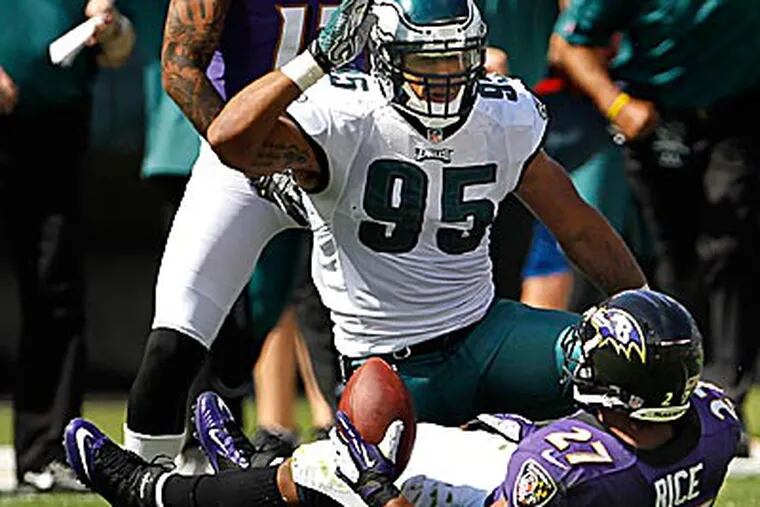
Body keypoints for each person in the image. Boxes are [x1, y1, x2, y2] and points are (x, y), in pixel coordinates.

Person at [198, 0, 645, 424]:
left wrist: (645, 308)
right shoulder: (344, 112)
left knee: (637, 359)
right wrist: (314, 62)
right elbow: (228, 139)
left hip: (483, 334)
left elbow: (578, 227)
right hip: (391, 367)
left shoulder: (499, 113)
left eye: (456, 59)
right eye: (426, 61)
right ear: (385, 58)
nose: (444, 77)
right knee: (399, 471)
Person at [64, 289, 742, 507]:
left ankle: (159, 493)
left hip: (514, 489)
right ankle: (245, 474)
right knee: (349, 452)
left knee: (335, 467)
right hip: (535, 465)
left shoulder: (565, 473)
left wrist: (378, 490)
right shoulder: (710, 424)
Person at [124, 0, 343, 463]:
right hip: (244, 159)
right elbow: (180, 67)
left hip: (353, 156)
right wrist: (242, 149)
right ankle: (140, 478)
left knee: (393, 341)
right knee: (174, 340)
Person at [554, 0, 760, 422]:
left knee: (728, 246)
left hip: (736, 114)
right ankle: (674, 379)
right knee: (673, 254)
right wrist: (616, 104)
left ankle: (727, 391)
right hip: (655, 119)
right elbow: (571, 44)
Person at [0, 0, 134, 491]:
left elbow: (120, 50)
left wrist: (110, 26)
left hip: (57, 125)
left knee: (55, 287)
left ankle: (47, 450)